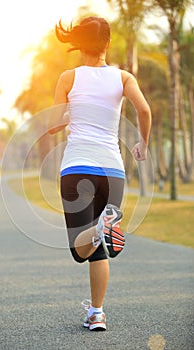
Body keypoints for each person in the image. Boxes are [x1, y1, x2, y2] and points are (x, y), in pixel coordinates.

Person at [48, 16, 151, 331]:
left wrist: (67, 115)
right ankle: (97, 313)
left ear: (79, 45)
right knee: (99, 249)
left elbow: (51, 125)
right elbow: (144, 111)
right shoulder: (122, 78)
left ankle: (100, 228)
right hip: (112, 171)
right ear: (107, 43)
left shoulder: (69, 77)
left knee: (81, 250)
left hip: (77, 167)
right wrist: (142, 145)